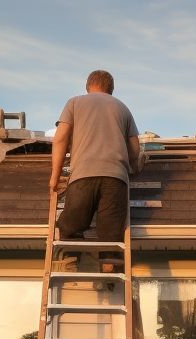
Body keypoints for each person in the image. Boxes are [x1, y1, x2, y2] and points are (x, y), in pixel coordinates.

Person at [49, 70, 144, 270]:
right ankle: (109, 280)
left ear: (87, 86)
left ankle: (72, 259)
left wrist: (55, 176)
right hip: (115, 179)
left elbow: (60, 139)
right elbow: (135, 148)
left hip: (83, 175)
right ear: (111, 89)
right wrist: (135, 168)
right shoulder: (123, 108)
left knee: (70, 226)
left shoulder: (75, 103)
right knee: (110, 240)